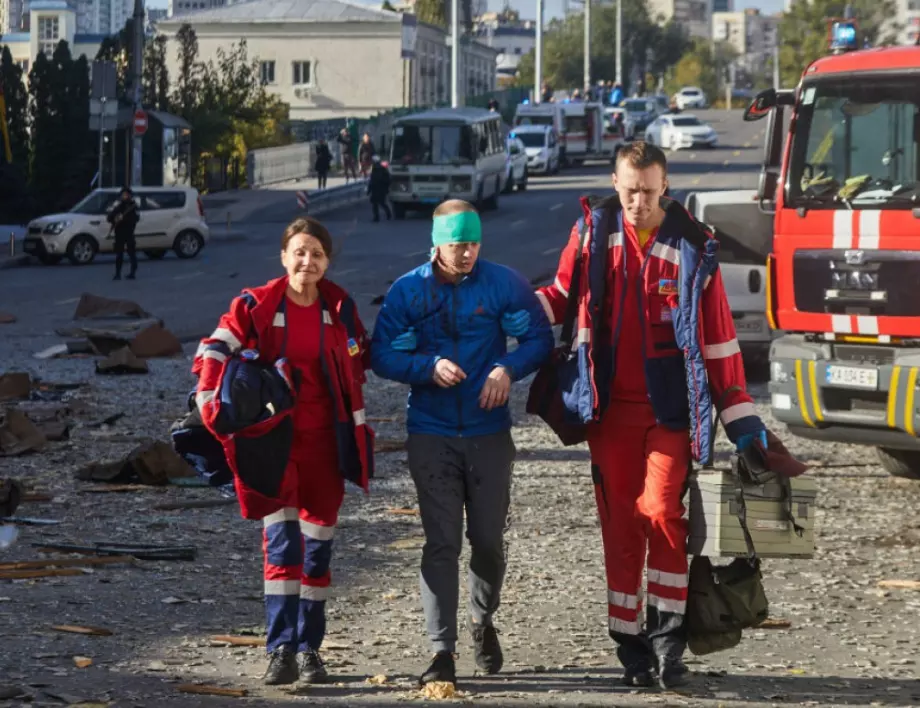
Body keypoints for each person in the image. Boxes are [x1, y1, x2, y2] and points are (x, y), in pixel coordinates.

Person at [535, 142, 770, 690]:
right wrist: (496, 314)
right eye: (629, 189)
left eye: (648, 190)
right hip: (608, 411)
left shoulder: (693, 246)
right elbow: (561, 296)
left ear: (664, 186)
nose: (638, 201)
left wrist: (744, 422)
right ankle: (630, 646)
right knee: (620, 525)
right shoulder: (593, 234)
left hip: (671, 412)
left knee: (663, 511)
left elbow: (718, 343)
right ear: (615, 184)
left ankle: (669, 642)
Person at [371, 200, 554, 688]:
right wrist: (425, 367)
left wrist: (508, 368)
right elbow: (381, 354)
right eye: (458, 245)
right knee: (441, 542)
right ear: (437, 243)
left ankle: (482, 619)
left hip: (488, 431)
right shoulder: (409, 290)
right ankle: (441, 651)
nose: (467, 253)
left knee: (488, 542)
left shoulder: (503, 283)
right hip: (430, 431)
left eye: (473, 243)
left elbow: (540, 338)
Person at [193, 216, 374, 687]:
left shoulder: (340, 307)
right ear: (283, 256)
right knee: (281, 546)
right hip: (272, 445)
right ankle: (280, 651)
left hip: (326, 446)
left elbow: (362, 359)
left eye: (316, 253)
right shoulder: (255, 304)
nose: (307, 261)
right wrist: (209, 402)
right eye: (299, 251)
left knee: (317, 552)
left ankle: (310, 649)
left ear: (327, 260)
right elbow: (214, 347)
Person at [107, 187, 140, 280]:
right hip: (119, 233)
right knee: (119, 255)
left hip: (129, 232)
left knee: (132, 254)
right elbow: (109, 217)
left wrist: (124, 219)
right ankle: (118, 274)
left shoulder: (133, 206)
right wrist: (115, 218)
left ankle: (132, 273)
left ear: (130, 195)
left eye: (126, 194)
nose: (125, 196)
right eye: (123, 194)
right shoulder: (119, 206)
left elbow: (136, 219)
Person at [367, 155, 391, 222]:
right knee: (382, 203)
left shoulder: (374, 170)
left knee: (375, 204)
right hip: (381, 189)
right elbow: (388, 180)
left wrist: (369, 190)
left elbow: (372, 181)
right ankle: (388, 214)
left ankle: (376, 217)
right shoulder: (383, 169)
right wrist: (386, 188)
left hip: (376, 189)